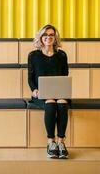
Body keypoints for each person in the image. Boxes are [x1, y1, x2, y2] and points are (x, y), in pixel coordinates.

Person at [28, 24, 69, 159]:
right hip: (41, 94)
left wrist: (64, 91)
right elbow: (30, 78)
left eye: (51, 35)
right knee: (50, 102)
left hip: (60, 92)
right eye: (45, 35)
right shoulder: (33, 55)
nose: (48, 37)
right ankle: (51, 142)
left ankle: (61, 142)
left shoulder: (62, 55)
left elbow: (65, 76)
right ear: (41, 37)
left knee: (62, 102)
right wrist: (34, 90)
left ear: (55, 37)